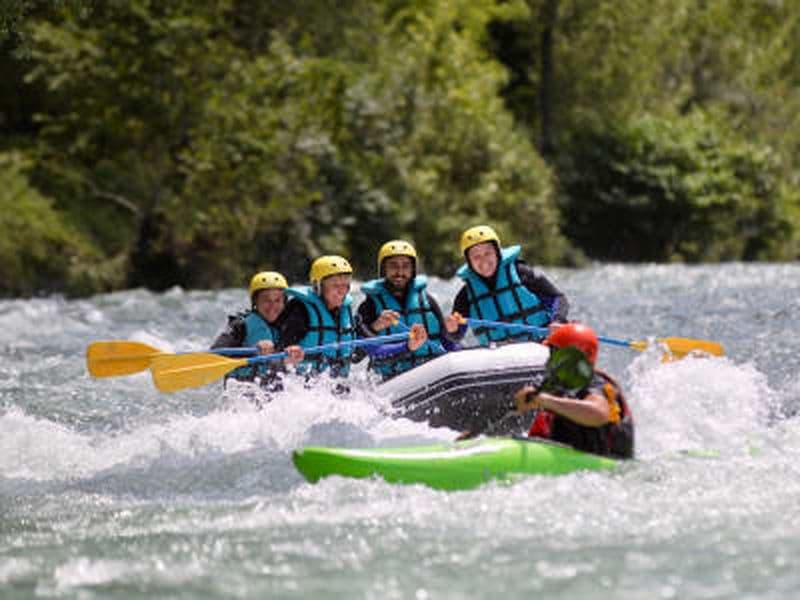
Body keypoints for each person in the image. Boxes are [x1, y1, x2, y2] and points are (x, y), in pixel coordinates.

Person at [279, 255, 428, 379]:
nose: (342, 291)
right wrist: (287, 355)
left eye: (345, 285)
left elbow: (359, 354)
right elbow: (279, 351)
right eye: (335, 285)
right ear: (318, 286)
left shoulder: (346, 311)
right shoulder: (299, 309)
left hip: (337, 392)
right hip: (302, 390)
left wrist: (408, 346)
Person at [513, 322, 634, 459]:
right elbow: (521, 402)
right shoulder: (556, 382)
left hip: (601, 461)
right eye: (552, 352)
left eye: (557, 353)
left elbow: (599, 413)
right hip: (567, 455)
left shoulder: (596, 384)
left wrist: (545, 401)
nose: (552, 359)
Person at [443, 225, 569, 347]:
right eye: (476, 256)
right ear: (469, 262)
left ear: (497, 253)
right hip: (499, 354)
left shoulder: (522, 273)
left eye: (488, 253)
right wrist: (452, 329)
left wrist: (558, 320)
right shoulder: (465, 295)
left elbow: (557, 298)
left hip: (540, 343)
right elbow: (456, 336)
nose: (483, 260)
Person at [358, 240, 453, 379]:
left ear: (413, 270)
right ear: (383, 269)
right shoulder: (368, 306)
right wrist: (375, 326)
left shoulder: (427, 301)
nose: (400, 272)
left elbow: (448, 343)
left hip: (430, 374)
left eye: (406, 266)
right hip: (391, 381)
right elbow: (357, 354)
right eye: (393, 266)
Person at [211, 271, 301, 387]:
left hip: (279, 399)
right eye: (266, 300)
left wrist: (295, 355)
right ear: (255, 302)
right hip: (243, 396)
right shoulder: (240, 325)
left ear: (284, 303)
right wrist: (253, 351)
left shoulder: (289, 326)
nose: (272, 305)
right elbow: (216, 353)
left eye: (278, 300)